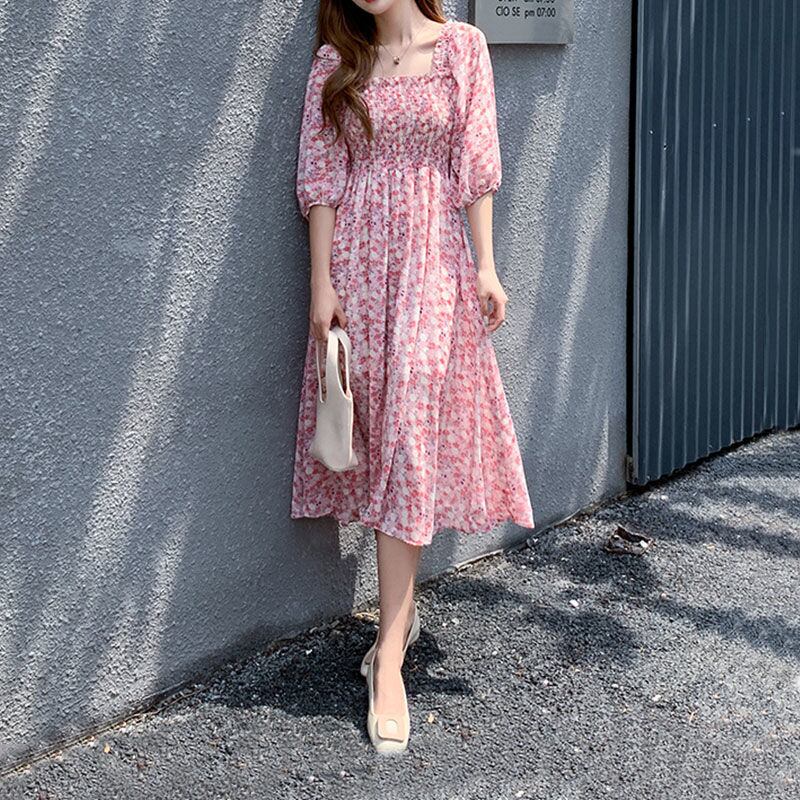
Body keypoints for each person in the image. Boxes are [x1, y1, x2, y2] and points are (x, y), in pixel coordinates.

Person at [290, 0, 536, 753]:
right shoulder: (337, 62)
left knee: (410, 440)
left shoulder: (462, 48)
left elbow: (476, 162)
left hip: (433, 262)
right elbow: (322, 178)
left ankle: (389, 658)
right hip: (360, 267)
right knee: (379, 439)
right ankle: (400, 621)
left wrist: (487, 265)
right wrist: (321, 284)